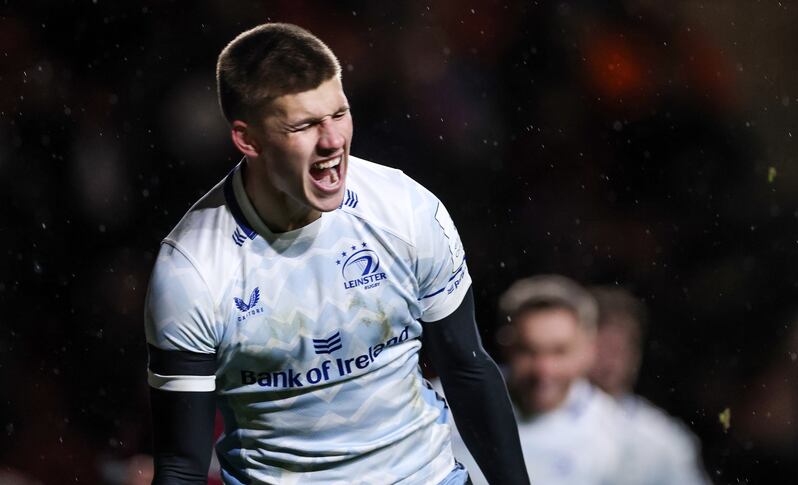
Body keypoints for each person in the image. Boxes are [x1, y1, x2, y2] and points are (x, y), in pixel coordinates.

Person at [143, 23, 529, 484]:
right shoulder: (192, 270)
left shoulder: (404, 208)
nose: (332, 141)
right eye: (304, 125)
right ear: (249, 140)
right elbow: (181, 465)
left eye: (339, 114)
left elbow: (466, 368)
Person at [446, 275, 624, 484]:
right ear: (506, 346)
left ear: (588, 350)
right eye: (528, 351)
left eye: (559, 352)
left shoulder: (619, 438)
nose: (543, 370)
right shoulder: (444, 406)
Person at [588, 286, 710, 485]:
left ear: (636, 355)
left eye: (619, 349)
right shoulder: (538, 420)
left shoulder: (663, 439)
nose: (610, 361)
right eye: (602, 348)